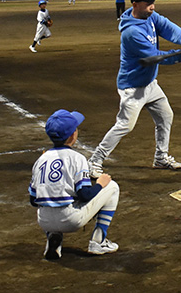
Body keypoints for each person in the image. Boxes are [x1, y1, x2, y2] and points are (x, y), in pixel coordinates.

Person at [89, 0, 181, 176]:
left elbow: (167, 26)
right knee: (124, 126)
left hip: (150, 84)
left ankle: (161, 158)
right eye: (148, 4)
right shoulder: (131, 33)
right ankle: (95, 161)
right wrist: (179, 55)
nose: (153, 7)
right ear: (136, 5)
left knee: (165, 116)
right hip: (132, 88)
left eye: (153, 3)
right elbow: (154, 56)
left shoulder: (149, 16)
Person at [29, 109, 120, 259]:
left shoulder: (40, 160)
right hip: (70, 220)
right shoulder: (77, 158)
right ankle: (99, 241)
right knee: (112, 186)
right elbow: (85, 196)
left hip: (44, 221)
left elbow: (33, 201)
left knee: (53, 197)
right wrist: (100, 184)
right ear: (73, 135)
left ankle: (53, 237)